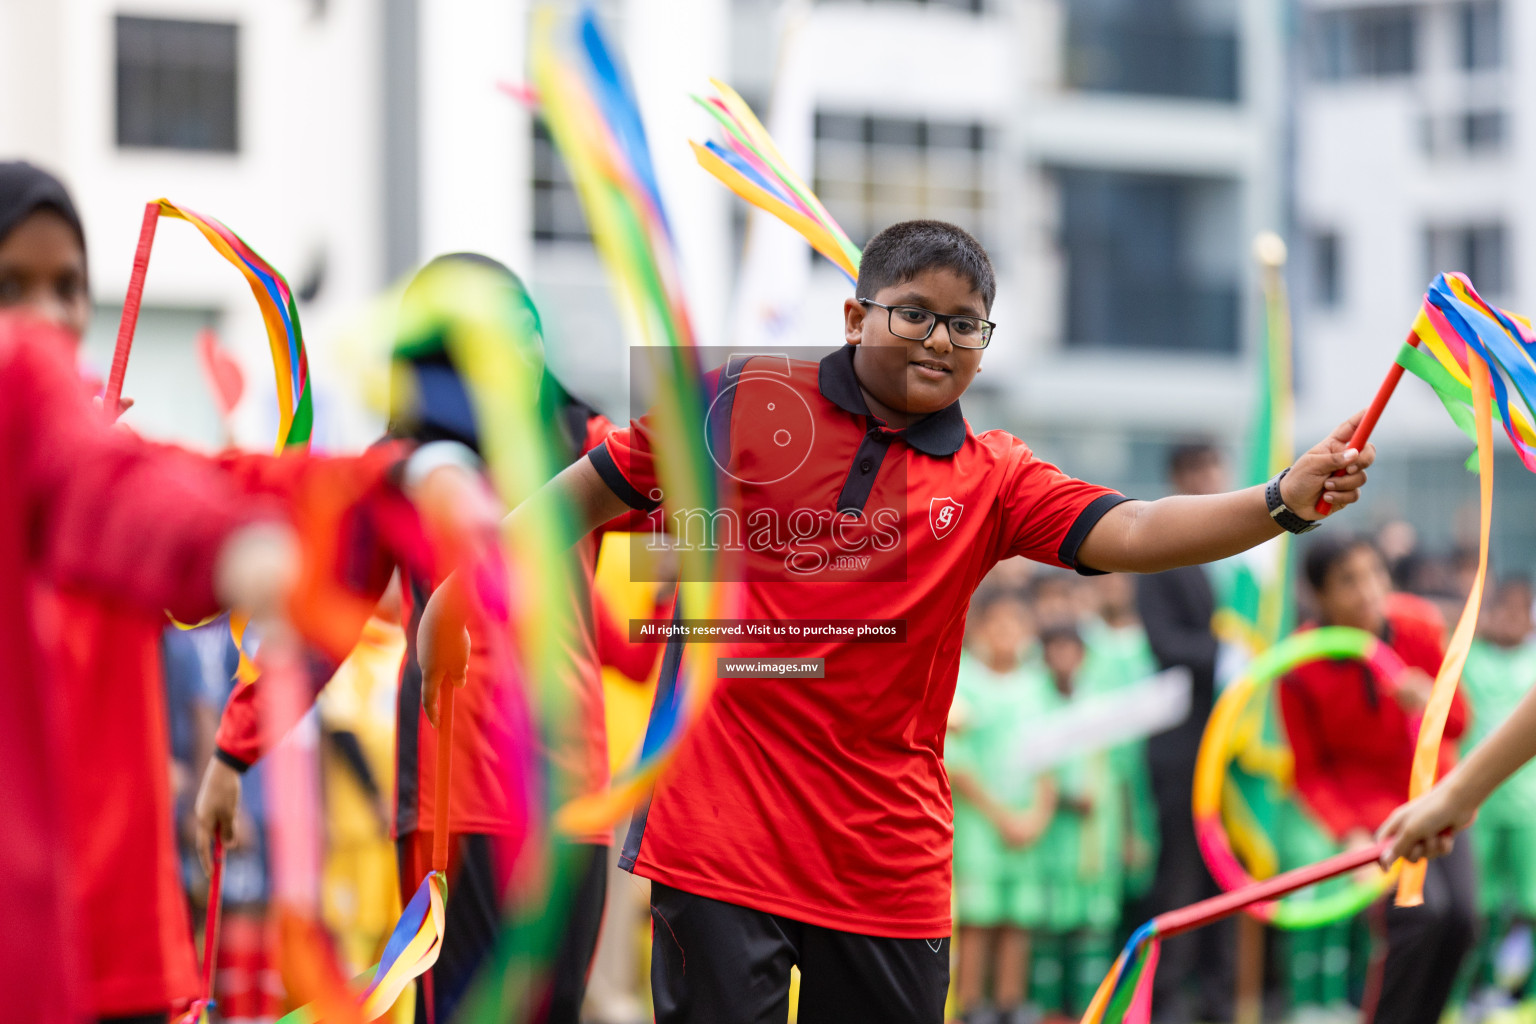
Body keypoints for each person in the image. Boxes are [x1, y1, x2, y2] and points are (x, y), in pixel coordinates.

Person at [418, 219, 1378, 1024]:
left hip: (883, 862)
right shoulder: (745, 406)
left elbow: (1131, 526)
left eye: (966, 326)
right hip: (720, 841)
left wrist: (1280, 501)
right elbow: (580, 501)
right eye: (913, 312)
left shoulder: (995, 476)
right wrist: (459, 594)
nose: (937, 340)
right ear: (854, 315)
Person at [199, 254, 629, 1024]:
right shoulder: (397, 474)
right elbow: (318, 624)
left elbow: (710, 520)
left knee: (554, 1011)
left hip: (570, 792)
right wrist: (235, 752)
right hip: (450, 792)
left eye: (529, 334)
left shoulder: (588, 442)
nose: (521, 353)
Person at [0, 311, 299, 1024]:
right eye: (15, 285)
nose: (45, 315)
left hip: (112, 922)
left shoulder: (85, 446)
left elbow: (171, 494)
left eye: (67, 285)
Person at [1278, 535, 1474, 1024]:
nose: (1368, 591)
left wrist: (1428, 697)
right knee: (1417, 917)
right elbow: (1309, 771)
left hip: (1437, 795)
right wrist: (1350, 832)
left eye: (1374, 575)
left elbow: (1459, 724)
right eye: (1348, 581)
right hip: (1375, 816)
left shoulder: (1418, 628)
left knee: (1462, 923)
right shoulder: (1298, 665)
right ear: (1318, 596)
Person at [1131, 442, 1234, 1023]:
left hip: (1232, 741)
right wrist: (1224, 655)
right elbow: (1167, 643)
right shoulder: (1162, 548)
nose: (1210, 478)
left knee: (1225, 872)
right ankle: (1166, 1000)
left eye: (1215, 467)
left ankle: (1219, 999)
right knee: (1179, 874)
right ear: (1176, 478)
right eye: (1197, 470)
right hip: (1181, 742)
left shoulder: (1239, 558)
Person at [948, 586, 1056, 1024]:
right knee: (977, 919)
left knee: (1018, 920)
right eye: (1000, 624)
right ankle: (972, 1006)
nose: (1009, 634)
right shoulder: (965, 681)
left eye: (1017, 624)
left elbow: (1049, 753)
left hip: (1027, 823)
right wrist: (1000, 816)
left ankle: (1012, 1004)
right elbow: (958, 761)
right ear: (982, 629)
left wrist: (1038, 815)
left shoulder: (1037, 685)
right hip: (981, 826)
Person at [1454, 576, 1536, 1003]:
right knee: (1477, 905)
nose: (1509, 619)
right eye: (1501, 609)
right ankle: (1472, 993)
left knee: (1531, 901)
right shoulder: (1467, 658)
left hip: (1529, 808)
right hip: (1477, 805)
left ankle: (1524, 997)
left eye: (1519, 611)